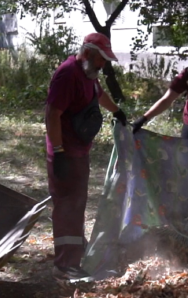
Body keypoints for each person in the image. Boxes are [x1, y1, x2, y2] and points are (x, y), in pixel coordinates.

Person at [45, 32, 128, 281]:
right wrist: (58, 152)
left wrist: (117, 111)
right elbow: (52, 114)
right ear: (88, 53)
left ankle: (73, 254)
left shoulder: (88, 74)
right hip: (65, 153)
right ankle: (64, 264)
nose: (103, 65)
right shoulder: (68, 73)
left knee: (77, 204)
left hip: (79, 151)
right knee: (67, 206)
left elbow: (98, 94)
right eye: (101, 59)